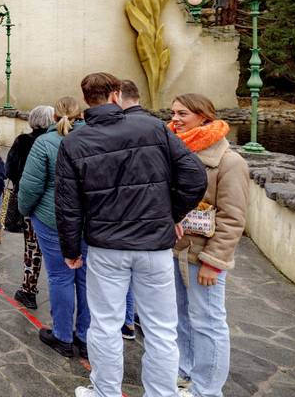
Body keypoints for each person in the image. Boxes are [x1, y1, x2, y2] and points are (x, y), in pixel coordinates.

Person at [56, 72, 207, 397]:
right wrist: (171, 215)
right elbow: (195, 177)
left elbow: (68, 205)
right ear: (115, 95)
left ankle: (105, 392)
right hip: (154, 245)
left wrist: (71, 248)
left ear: (86, 100)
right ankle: (161, 394)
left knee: (105, 325)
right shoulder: (152, 127)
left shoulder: (74, 143)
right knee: (161, 329)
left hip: (106, 247)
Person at [168, 93, 248, 397]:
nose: (175, 119)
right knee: (181, 316)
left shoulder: (230, 162)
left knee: (209, 322)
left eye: (183, 114)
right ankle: (184, 373)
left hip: (203, 257)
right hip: (176, 250)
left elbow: (233, 218)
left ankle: (208, 390)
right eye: (174, 112)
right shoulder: (174, 151)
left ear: (204, 117)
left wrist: (214, 261)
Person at [18, 96, 89, 359]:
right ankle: (84, 336)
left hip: (52, 218)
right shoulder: (93, 139)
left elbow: (30, 185)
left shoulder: (45, 143)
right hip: (87, 220)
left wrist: (25, 210)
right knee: (84, 279)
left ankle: (62, 335)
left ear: (54, 117)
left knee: (60, 276)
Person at [5, 104, 54, 310]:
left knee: (32, 249)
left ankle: (28, 290)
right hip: (53, 203)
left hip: (30, 203)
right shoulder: (58, 141)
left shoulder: (23, 141)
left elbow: (10, 170)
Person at [116, 79, 148, 339]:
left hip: (122, 218)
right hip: (150, 219)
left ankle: (126, 322)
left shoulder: (117, 128)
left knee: (123, 275)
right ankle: (135, 319)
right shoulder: (160, 129)